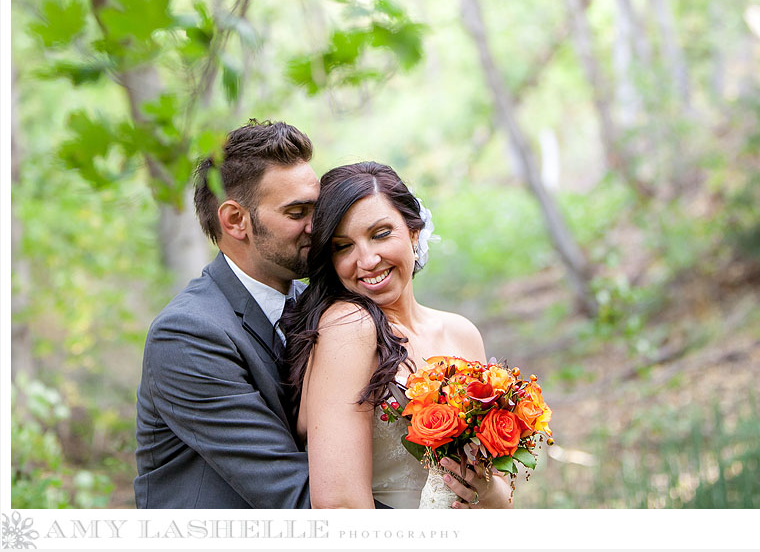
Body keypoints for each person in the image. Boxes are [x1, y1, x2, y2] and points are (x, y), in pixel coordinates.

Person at [284, 161, 514, 509]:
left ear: (413, 231)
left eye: (379, 234)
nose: (367, 259)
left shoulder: (462, 333)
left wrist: (491, 493)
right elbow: (340, 504)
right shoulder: (349, 326)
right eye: (343, 246)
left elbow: (497, 487)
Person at [134, 119, 319, 508]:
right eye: (298, 212)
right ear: (236, 220)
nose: (316, 226)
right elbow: (292, 492)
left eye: (318, 208)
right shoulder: (188, 334)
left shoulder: (316, 306)